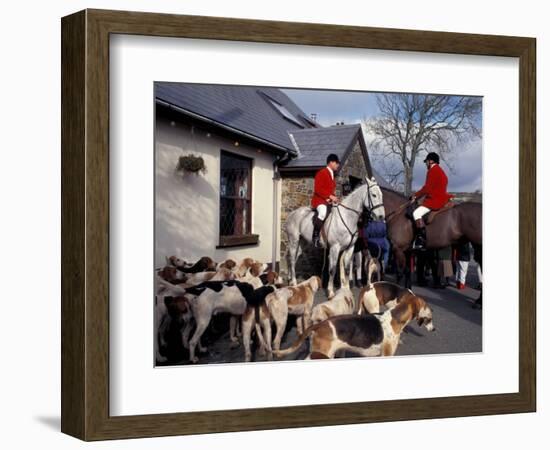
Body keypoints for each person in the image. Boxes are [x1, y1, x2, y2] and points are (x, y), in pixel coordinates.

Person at [410, 152, 453, 250]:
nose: (426, 164)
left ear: (431, 161)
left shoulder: (432, 171)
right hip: (443, 198)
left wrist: (415, 196)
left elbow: (427, 188)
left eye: (426, 162)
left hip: (435, 200)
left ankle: (421, 239)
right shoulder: (441, 171)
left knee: (416, 213)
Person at [311, 153, 340, 248]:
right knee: (322, 212)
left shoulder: (332, 176)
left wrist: (335, 198)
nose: (338, 165)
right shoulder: (321, 172)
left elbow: (330, 191)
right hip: (319, 201)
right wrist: (330, 197)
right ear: (331, 162)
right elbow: (318, 189)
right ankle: (315, 236)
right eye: (336, 163)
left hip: (328, 202)